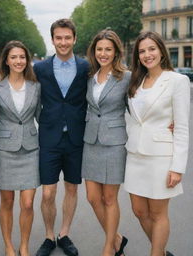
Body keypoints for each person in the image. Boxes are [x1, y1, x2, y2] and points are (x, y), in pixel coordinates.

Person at [124, 31, 190, 256]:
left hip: (161, 157)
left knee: (158, 213)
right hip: (135, 155)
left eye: (151, 49)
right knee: (139, 211)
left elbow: (181, 127)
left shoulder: (178, 81)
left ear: (161, 51)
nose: (147, 54)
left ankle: (156, 253)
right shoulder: (136, 80)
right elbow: (133, 119)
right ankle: (160, 251)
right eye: (142, 51)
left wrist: (177, 167)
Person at [33, 18, 89, 256]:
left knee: (72, 189)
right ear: (53, 39)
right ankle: (48, 235)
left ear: (74, 39)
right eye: (59, 38)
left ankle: (64, 233)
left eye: (68, 37)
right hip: (49, 137)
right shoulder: (40, 69)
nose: (63, 42)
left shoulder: (87, 67)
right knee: (47, 192)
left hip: (76, 138)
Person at [81, 30, 130, 256]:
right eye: (99, 49)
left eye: (108, 49)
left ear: (116, 52)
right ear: (94, 52)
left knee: (110, 199)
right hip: (91, 142)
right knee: (92, 197)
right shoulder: (90, 76)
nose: (103, 53)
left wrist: (165, 124)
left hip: (113, 144)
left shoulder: (126, 77)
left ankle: (108, 248)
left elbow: (140, 108)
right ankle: (117, 239)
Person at [0, 40, 41, 256]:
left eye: (22, 57)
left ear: (27, 60)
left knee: (28, 203)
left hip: (31, 149)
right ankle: (9, 246)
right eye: (14, 57)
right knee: (7, 201)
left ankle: (24, 246)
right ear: (6, 61)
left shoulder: (36, 86)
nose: (18, 61)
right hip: (5, 150)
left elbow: (43, 117)